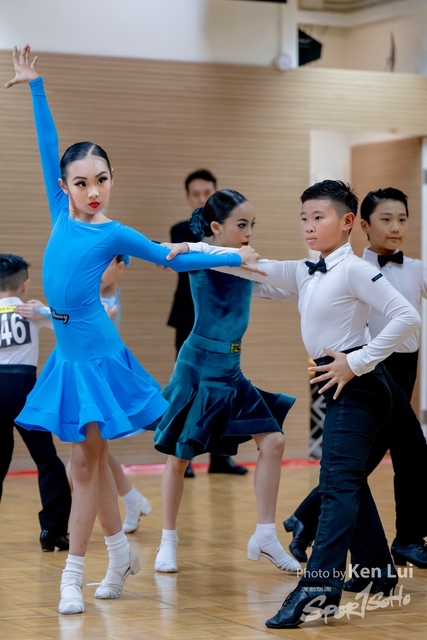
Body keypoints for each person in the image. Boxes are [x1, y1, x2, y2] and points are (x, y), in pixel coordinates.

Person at [5, 45, 261, 616]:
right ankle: (118, 553)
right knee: (89, 463)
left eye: (101, 179)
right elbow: (47, 143)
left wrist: (231, 255)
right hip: (68, 357)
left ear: (112, 178)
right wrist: (36, 85)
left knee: (85, 465)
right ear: (64, 185)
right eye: (80, 182)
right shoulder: (59, 210)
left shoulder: (114, 233)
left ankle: (74, 574)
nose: (92, 190)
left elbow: (172, 257)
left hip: (99, 357)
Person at [168, 180, 421, 628]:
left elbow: (408, 317)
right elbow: (247, 268)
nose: (308, 226)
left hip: (359, 385)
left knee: (338, 482)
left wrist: (356, 362)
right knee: (346, 479)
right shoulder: (308, 270)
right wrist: (188, 247)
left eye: (318, 217)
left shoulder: (354, 270)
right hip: (339, 382)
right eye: (304, 218)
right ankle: (377, 570)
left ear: (347, 222)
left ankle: (318, 586)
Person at [154, 189, 299, 575]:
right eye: (241, 225)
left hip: (230, 369)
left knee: (274, 441)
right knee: (179, 456)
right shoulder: (206, 257)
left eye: (253, 225)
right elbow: (199, 252)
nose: (249, 232)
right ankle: (168, 540)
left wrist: (319, 278)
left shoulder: (244, 262)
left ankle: (265, 535)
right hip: (197, 366)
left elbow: (279, 284)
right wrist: (191, 246)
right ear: (217, 227)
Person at [283, 187, 427, 576]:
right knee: (393, 458)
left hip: (400, 370)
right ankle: (401, 544)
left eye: (402, 219)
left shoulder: (415, 268)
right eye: (385, 219)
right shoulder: (349, 267)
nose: (395, 227)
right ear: (361, 225)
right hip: (366, 369)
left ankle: (310, 524)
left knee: (360, 465)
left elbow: (409, 318)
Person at [168, 169, 248, 477]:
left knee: (222, 387)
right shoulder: (181, 230)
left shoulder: (232, 230)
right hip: (189, 317)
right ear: (188, 197)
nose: (202, 198)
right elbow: (188, 258)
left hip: (223, 320)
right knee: (187, 387)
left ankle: (219, 457)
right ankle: (183, 455)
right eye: (196, 194)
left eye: (207, 193)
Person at [0, 254, 71, 552]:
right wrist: (45, 310)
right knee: (46, 458)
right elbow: (68, 322)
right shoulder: (32, 310)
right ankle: (53, 530)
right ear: (24, 284)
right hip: (23, 388)